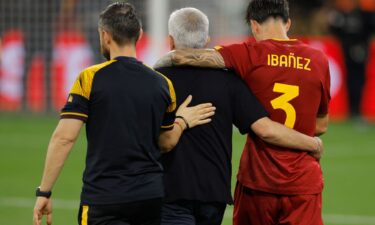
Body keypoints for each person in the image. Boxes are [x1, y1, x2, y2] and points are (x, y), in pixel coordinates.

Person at [32, 3, 215, 225]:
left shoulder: (90, 78)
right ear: (139, 34)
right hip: (149, 197)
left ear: (105, 35)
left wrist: (44, 192)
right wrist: (183, 121)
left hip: (104, 197)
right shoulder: (162, 83)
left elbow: (64, 137)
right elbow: (166, 142)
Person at [155, 5, 327, 225]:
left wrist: (162, 61)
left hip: (258, 180)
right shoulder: (318, 59)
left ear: (254, 25)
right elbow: (320, 123)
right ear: (289, 23)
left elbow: (195, 57)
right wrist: (311, 143)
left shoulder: (247, 54)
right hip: (300, 179)